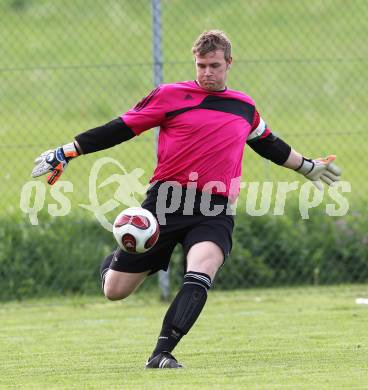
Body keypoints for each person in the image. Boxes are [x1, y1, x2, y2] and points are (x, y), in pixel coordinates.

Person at [31, 30, 341, 369]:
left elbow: (269, 143)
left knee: (201, 271)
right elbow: (121, 127)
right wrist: (68, 151)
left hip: (214, 210)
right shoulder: (170, 96)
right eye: (201, 65)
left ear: (229, 64)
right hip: (166, 202)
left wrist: (309, 167)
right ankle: (116, 260)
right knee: (115, 291)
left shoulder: (244, 106)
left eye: (214, 65)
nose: (207, 72)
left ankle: (162, 352)